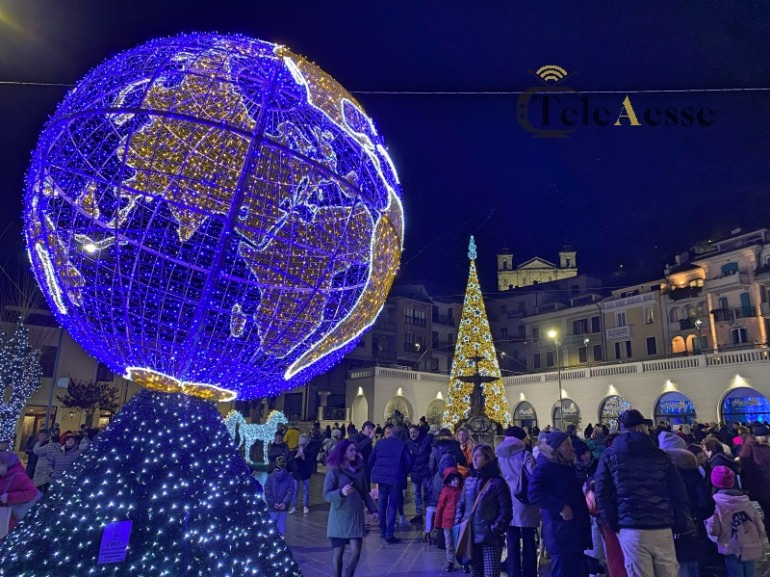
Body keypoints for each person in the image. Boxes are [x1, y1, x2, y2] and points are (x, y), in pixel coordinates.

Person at [595, 409, 692, 577]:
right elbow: (678, 491)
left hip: (630, 526)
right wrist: (677, 520)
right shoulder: (660, 454)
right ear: (641, 428)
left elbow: (602, 493)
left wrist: (613, 524)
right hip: (661, 524)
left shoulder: (610, 455)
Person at [528, 431, 591, 577]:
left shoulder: (565, 464)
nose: (572, 448)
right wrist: (560, 507)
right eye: (567, 445)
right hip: (560, 532)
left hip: (572, 531)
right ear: (556, 448)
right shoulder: (546, 466)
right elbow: (533, 492)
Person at [658, 431, 715, 577]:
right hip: (692, 520)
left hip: (671, 523)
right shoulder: (693, 469)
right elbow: (703, 500)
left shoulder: (661, 471)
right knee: (692, 560)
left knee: (679, 563)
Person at [454, 444, 512, 577]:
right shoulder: (469, 481)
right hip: (471, 536)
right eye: (473, 456)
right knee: (476, 573)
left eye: (478, 456)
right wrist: (458, 525)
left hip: (490, 538)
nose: (474, 459)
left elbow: (506, 510)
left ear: (488, 458)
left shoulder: (497, 483)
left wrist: (495, 529)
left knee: (490, 574)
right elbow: (461, 505)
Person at [323, 439, 378, 577]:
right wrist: (341, 492)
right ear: (343, 453)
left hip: (355, 516)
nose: (354, 452)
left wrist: (373, 510)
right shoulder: (334, 470)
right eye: (351, 450)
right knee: (338, 552)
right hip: (339, 517)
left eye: (355, 450)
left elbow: (365, 492)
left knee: (356, 550)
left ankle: (349, 574)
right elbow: (326, 495)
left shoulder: (359, 469)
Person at [705, 465, 766, 577]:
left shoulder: (717, 502)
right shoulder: (744, 500)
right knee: (750, 571)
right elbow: (758, 522)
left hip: (730, 546)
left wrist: (710, 531)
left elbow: (714, 529)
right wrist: (760, 536)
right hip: (750, 543)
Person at [496, 426, 539, 577]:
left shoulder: (499, 454)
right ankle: (530, 572)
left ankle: (513, 571)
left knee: (511, 538)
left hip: (506, 499)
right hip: (524, 499)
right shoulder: (524, 455)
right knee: (528, 538)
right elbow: (534, 476)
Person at [368, 423, 412, 543]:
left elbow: (371, 459)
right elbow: (409, 461)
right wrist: (404, 473)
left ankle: (382, 531)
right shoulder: (402, 445)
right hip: (395, 479)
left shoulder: (380, 443)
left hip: (382, 479)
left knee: (382, 504)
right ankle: (389, 534)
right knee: (392, 505)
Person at [737, 424, 770, 535]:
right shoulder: (748, 446)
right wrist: (747, 488)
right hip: (762, 486)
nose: (768, 438)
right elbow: (746, 470)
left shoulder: (762, 445)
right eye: (766, 436)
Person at [0, 452, 38, 538]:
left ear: (7, 464)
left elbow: (32, 492)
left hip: (7, 515)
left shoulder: (18, 476)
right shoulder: (3, 475)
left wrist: (9, 497)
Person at [435, 466, 463, 572]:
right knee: (449, 543)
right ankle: (450, 561)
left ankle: (463, 562)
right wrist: (437, 523)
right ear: (448, 480)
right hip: (447, 522)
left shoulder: (461, 490)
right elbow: (440, 507)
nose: (456, 481)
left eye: (457, 479)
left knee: (460, 543)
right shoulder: (445, 491)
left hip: (458, 522)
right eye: (453, 479)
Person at [406, 423, 432, 524]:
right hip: (415, 472)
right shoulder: (408, 442)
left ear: (418, 432)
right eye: (411, 433)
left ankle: (430, 514)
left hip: (425, 471)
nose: (412, 434)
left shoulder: (425, 440)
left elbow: (421, 453)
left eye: (414, 432)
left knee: (427, 494)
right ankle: (419, 514)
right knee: (416, 494)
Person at [264, 455, 294, 535]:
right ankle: (282, 541)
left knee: (272, 524)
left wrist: (273, 503)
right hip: (284, 506)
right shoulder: (289, 477)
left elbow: (267, 491)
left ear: (276, 464)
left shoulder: (270, 477)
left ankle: (272, 542)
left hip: (273, 505)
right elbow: (290, 491)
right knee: (282, 524)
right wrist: (284, 502)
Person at [288, 434, 314, 514]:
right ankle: (294, 507)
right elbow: (290, 461)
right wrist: (296, 456)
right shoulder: (294, 451)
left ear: (306, 445)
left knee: (305, 489)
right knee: (295, 490)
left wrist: (303, 457)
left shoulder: (309, 452)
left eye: (303, 445)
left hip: (306, 473)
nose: (301, 446)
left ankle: (305, 506)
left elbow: (310, 463)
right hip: (296, 473)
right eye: (300, 444)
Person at [32, 428, 59, 493]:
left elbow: (36, 451)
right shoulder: (51, 445)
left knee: (42, 487)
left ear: (47, 436)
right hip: (47, 469)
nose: (40, 437)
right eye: (39, 435)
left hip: (45, 469)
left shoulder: (48, 445)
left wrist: (39, 442)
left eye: (42, 436)